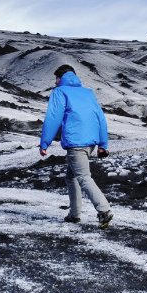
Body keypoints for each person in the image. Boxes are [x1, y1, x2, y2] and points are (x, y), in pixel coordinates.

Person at [39, 64, 113, 228]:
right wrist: (103, 144)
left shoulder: (60, 91)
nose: (55, 82)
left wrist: (45, 143)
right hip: (90, 143)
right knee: (71, 177)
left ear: (59, 78)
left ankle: (104, 210)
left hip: (76, 142)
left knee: (83, 177)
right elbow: (100, 118)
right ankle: (74, 214)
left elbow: (53, 118)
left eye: (56, 79)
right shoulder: (88, 93)